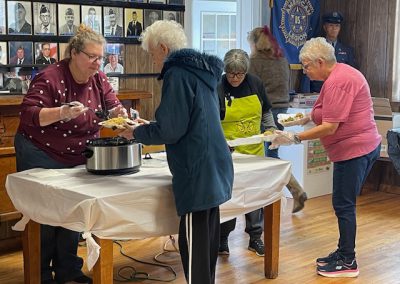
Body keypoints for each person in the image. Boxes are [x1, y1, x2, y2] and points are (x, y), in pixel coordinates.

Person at [119, 20, 233, 284]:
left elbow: (172, 130)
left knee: (193, 250)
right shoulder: (200, 72)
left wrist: (136, 133)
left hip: (197, 169)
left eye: (152, 54)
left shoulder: (177, 73)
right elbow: (189, 121)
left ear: (163, 48)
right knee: (207, 245)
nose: (153, 61)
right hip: (214, 164)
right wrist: (150, 127)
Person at [14, 24, 128, 284]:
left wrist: (118, 114)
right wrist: (61, 112)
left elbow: (112, 105)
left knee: (72, 212)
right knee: (43, 215)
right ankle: (40, 273)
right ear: (74, 53)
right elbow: (28, 115)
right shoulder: (50, 77)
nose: (97, 63)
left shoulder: (98, 79)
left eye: (101, 57)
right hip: (40, 152)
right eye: (92, 57)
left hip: (77, 154)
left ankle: (68, 269)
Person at [270, 37, 381, 278]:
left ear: (320, 62)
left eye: (307, 65)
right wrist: (298, 120)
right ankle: (343, 251)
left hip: (355, 150)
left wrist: (294, 138)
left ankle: (348, 260)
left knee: (344, 204)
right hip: (357, 147)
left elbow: (330, 126)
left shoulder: (339, 81)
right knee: (343, 203)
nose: (305, 70)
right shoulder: (337, 75)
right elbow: (323, 111)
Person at [217, 49, 276, 257]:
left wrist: (271, 130)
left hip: (254, 150)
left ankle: (255, 238)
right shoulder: (218, 86)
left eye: (240, 74)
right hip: (228, 152)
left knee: (255, 196)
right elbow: (212, 120)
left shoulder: (255, 83)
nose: (235, 78)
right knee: (229, 198)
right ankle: (222, 239)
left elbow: (266, 111)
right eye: (231, 74)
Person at [247, 26, 307, 213]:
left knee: (266, 156)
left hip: (264, 112)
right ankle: (293, 192)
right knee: (271, 154)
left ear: (255, 43)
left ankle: (273, 198)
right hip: (282, 109)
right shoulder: (282, 59)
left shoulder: (254, 61)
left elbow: (251, 89)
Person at [301, 12, 356, 93]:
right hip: (318, 92)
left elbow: (351, 75)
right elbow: (308, 71)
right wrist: (306, 94)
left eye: (337, 26)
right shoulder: (316, 47)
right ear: (325, 27)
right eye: (331, 25)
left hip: (340, 92)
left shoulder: (347, 50)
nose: (334, 28)